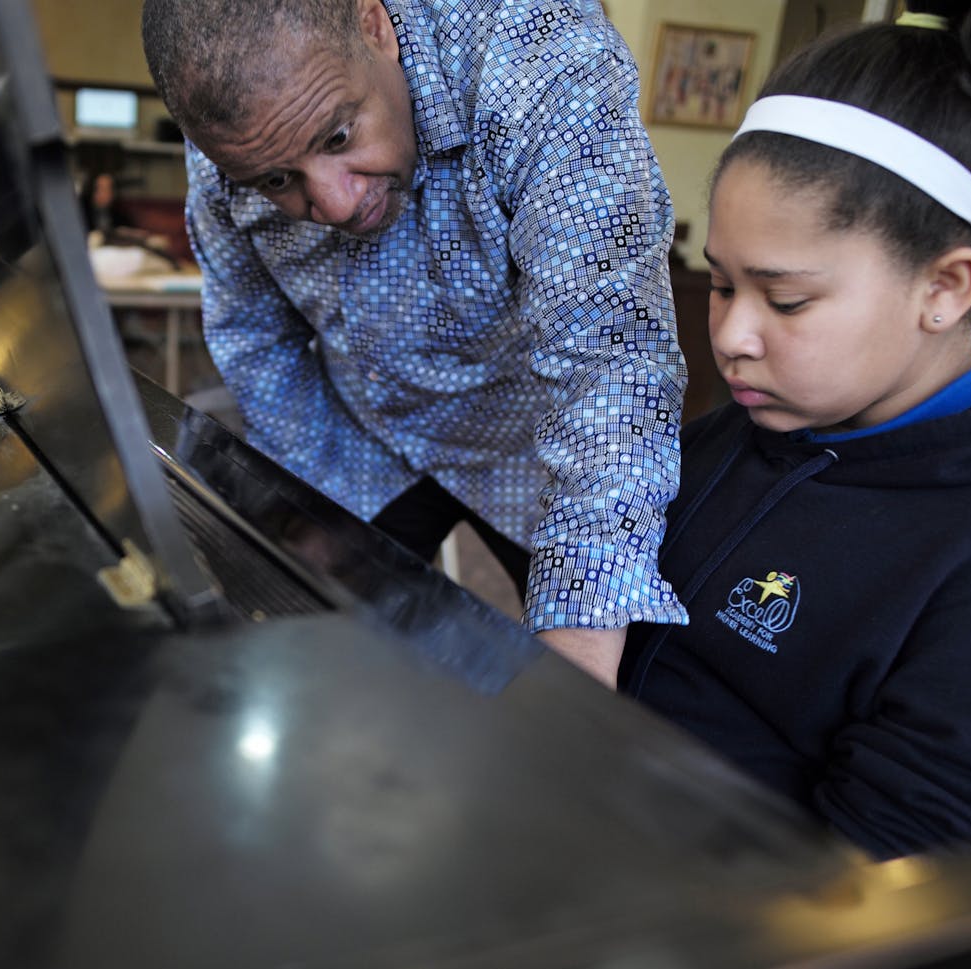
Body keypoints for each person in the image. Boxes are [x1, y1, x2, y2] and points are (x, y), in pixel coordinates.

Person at [621, 0, 971, 859]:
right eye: (722, 285)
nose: (730, 335)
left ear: (944, 286)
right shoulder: (752, 426)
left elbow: (899, 890)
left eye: (787, 298)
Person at [140, 0, 688, 682]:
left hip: (542, 449)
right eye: (279, 182)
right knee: (320, 667)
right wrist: (319, 503)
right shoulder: (237, 134)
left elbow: (611, 358)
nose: (335, 205)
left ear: (376, 26)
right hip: (364, 442)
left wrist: (582, 640)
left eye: (338, 137)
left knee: (616, 685)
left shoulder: (542, 58)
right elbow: (254, 335)